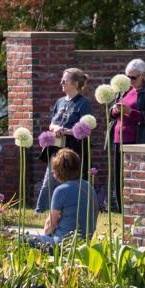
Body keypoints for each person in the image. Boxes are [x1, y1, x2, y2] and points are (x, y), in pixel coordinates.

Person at [35, 68, 93, 212]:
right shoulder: (59, 102)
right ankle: (40, 210)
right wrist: (55, 128)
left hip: (73, 150)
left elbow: (85, 129)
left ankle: (74, 209)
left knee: (72, 181)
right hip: (56, 148)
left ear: (75, 83)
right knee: (49, 180)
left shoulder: (83, 104)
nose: (61, 82)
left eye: (65, 80)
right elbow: (51, 123)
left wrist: (66, 131)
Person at [107, 58, 145, 211]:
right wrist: (114, 110)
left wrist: (131, 112)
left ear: (143, 75)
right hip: (119, 139)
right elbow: (111, 111)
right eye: (127, 77)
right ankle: (120, 209)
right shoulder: (124, 89)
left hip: (137, 139)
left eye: (133, 77)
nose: (130, 80)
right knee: (119, 176)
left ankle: (133, 208)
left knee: (133, 175)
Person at [26, 148, 98, 248]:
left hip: (63, 244)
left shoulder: (61, 190)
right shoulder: (89, 187)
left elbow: (50, 227)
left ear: (57, 171)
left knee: (23, 239)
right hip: (85, 244)